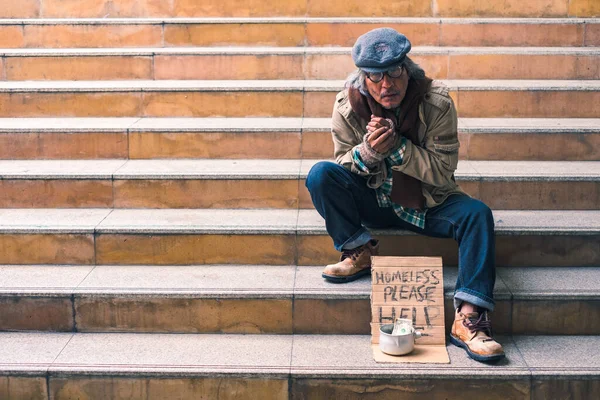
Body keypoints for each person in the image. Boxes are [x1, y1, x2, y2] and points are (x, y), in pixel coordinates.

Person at [305, 28, 504, 362]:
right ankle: (357, 250)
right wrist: (367, 153)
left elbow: (443, 171)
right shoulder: (347, 107)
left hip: (428, 203)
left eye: (395, 72)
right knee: (321, 175)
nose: (387, 85)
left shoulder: (437, 101)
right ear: (362, 78)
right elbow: (342, 163)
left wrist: (399, 149)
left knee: (478, 215)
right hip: (374, 199)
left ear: (407, 68)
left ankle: (469, 318)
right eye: (376, 76)